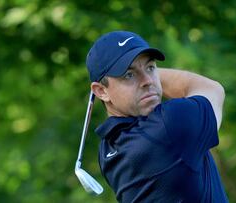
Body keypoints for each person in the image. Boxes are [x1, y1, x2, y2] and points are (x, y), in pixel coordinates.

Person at [85, 30, 228, 202]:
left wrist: (138, 73)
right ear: (101, 91)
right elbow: (213, 89)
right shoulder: (169, 125)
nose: (148, 80)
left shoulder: (107, 150)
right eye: (129, 75)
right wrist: (149, 72)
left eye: (151, 67)